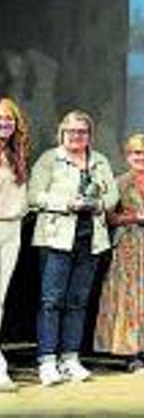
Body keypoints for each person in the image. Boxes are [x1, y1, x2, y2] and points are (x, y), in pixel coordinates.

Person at [28, 110, 119, 386]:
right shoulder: (49, 159)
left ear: (89, 135)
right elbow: (34, 195)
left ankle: (70, 358)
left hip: (90, 238)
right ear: (62, 133)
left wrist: (99, 204)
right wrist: (67, 202)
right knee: (51, 301)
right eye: (72, 132)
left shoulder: (100, 160)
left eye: (82, 132)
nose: (77, 136)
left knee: (78, 302)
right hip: (57, 237)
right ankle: (47, 360)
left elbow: (112, 194)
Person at [93, 134, 144, 373]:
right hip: (128, 246)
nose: (141, 158)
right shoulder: (118, 183)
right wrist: (136, 217)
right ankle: (129, 352)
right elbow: (109, 217)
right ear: (128, 156)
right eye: (137, 153)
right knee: (129, 298)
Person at [0, 98, 28, 391]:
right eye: (0, 118)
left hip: (11, 229)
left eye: (9, 118)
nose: (4, 123)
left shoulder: (16, 154)